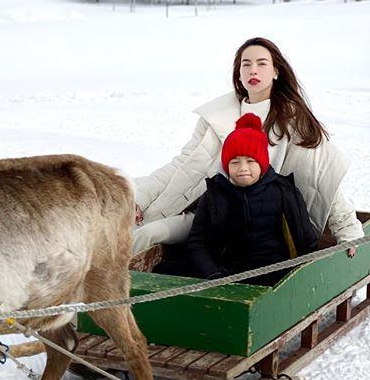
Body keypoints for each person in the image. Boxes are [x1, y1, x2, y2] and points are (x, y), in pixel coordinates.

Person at [133, 37, 362, 258]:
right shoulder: (216, 116)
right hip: (209, 212)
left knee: (152, 234)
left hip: (261, 221)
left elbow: (320, 177)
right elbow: (181, 165)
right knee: (146, 232)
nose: (253, 70)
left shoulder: (292, 119)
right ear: (238, 73)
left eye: (262, 64)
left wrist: (347, 229)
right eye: (246, 64)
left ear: (275, 71)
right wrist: (141, 198)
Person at [186, 113, 318, 286]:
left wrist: (298, 279)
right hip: (228, 277)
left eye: (250, 161)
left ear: (262, 163)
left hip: (277, 278)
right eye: (234, 162)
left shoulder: (283, 192)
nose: (243, 168)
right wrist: (213, 273)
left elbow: (307, 240)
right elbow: (198, 242)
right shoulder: (214, 195)